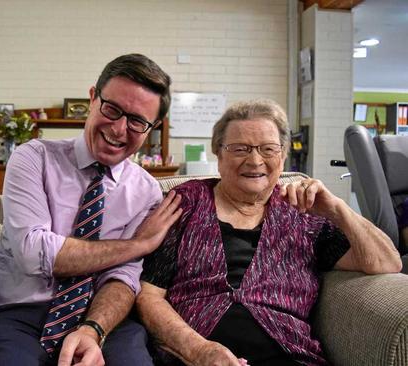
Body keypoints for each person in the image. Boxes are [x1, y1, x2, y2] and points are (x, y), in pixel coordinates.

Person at [137, 99, 402, 366]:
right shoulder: (185, 204)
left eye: (268, 149)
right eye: (240, 148)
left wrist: (337, 209)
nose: (255, 160)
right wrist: (198, 351)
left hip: (291, 357)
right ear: (219, 155)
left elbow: (387, 261)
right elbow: (148, 295)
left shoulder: (303, 214)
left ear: (283, 155)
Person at [0, 54, 182, 366]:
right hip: (19, 315)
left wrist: (93, 329)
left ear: (153, 127)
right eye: (111, 109)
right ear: (92, 98)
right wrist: (137, 245)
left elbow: (123, 276)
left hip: (103, 318)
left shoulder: (148, 191)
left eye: (137, 121)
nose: (119, 129)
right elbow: (34, 253)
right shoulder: (34, 158)